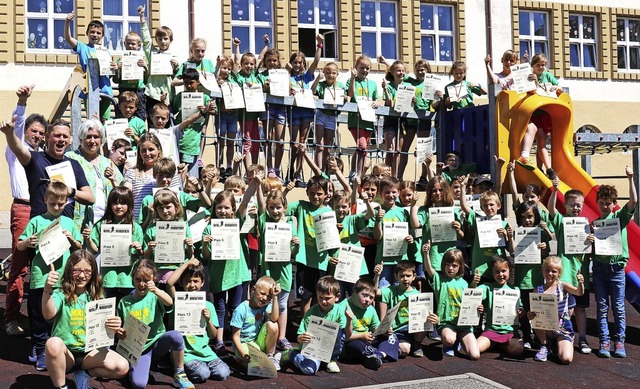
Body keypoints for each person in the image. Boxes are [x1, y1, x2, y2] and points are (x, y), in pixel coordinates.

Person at [17, 181, 83, 371]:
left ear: (66, 203)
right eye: (52, 203)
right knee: (39, 316)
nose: (56, 207)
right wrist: (28, 241)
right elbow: (19, 246)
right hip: (41, 277)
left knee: (59, 316)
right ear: (45, 200)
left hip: (63, 278)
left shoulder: (69, 223)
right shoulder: (36, 221)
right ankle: (40, 349)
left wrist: (72, 239)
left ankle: (56, 348)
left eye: (60, 204)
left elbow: (79, 247)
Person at [43, 250, 129, 389]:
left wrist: (115, 325)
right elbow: (48, 314)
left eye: (87, 271)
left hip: (89, 353)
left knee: (122, 367)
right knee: (53, 344)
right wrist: (47, 289)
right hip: (66, 354)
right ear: (69, 270)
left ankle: (84, 374)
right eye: (77, 270)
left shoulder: (98, 294)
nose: (82, 275)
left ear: (93, 272)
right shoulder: (61, 293)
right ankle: (61, 386)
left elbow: (106, 325)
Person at [116, 259, 195, 389]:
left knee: (175, 336)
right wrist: (119, 332)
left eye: (146, 280)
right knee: (139, 385)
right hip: (139, 348)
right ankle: (135, 367)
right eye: (138, 280)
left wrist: (156, 290)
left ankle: (179, 373)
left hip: (158, 343)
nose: (142, 284)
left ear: (153, 279)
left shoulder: (155, 296)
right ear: (132, 279)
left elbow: (169, 302)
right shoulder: (124, 302)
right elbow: (120, 327)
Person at [4, 84, 44, 336]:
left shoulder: (45, 157)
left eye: (41, 132)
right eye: (34, 131)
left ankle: (40, 315)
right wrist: (22, 102)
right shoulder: (15, 150)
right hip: (22, 208)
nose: (38, 135)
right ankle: (11, 316)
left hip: (42, 211)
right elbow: (15, 128)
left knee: (43, 263)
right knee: (19, 265)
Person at [1, 117, 94, 221]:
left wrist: (70, 191)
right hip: (40, 226)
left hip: (65, 227)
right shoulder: (35, 159)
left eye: (65, 136)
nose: (61, 139)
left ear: (70, 140)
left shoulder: (74, 164)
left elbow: (90, 198)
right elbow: (18, 149)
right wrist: (9, 134)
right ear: (47, 137)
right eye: (57, 136)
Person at [201, 188, 254, 354]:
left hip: (238, 274)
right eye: (219, 207)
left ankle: (238, 338)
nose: (222, 211)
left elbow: (245, 201)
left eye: (226, 207)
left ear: (233, 209)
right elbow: (206, 256)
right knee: (220, 308)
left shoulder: (237, 222)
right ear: (214, 209)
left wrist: (254, 183)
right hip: (219, 275)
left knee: (236, 307)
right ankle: (219, 340)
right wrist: (204, 244)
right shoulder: (209, 229)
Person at [591, 166, 636, 358]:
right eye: (601, 202)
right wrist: (591, 240)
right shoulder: (594, 224)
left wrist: (630, 178)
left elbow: (633, 201)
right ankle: (604, 340)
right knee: (601, 307)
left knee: (618, 307)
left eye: (608, 203)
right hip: (600, 269)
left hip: (617, 269)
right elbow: (591, 248)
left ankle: (619, 342)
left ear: (614, 203)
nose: (604, 206)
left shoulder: (619, 218)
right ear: (597, 203)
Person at [547, 179, 594, 354]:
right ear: (565, 205)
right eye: (572, 205)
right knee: (564, 309)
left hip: (579, 274)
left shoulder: (586, 224)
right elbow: (551, 209)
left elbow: (593, 248)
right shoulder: (561, 221)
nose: (576, 208)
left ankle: (582, 339)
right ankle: (559, 336)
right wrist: (555, 190)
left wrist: (591, 240)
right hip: (565, 274)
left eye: (578, 205)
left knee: (581, 308)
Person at [166, 258, 231, 382]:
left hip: (206, 353)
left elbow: (213, 335)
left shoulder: (208, 305)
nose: (191, 285)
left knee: (224, 373)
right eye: (187, 281)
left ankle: (202, 365)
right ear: (181, 283)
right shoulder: (178, 301)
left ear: (202, 283)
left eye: (195, 281)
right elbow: (169, 283)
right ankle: (179, 364)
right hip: (186, 354)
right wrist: (186, 264)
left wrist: (208, 320)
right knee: (203, 374)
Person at [256, 190, 300, 350]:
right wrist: (257, 185)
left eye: (278, 207)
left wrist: (296, 245)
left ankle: (281, 337)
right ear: (267, 208)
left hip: (284, 273)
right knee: (266, 306)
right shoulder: (263, 221)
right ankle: (266, 337)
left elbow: (293, 253)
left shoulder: (289, 225)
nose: (275, 211)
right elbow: (260, 206)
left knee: (282, 306)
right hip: (268, 272)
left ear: (285, 207)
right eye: (272, 207)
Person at [281, 275, 351, 374]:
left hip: (329, 349)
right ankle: (293, 354)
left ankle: (331, 359)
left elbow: (347, 335)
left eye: (327, 298)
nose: (323, 301)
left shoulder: (340, 310)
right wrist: (301, 338)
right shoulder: (311, 312)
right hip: (313, 350)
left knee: (340, 332)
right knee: (309, 370)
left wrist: (349, 321)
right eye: (320, 297)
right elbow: (300, 335)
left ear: (337, 297)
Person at [287, 175, 335, 315]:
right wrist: (286, 192)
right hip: (304, 260)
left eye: (319, 194)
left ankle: (317, 328)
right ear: (307, 192)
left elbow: (332, 240)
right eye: (312, 193)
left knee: (320, 297)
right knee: (305, 297)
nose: (315, 196)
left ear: (326, 194)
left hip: (321, 262)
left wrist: (332, 257)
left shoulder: (329, 213)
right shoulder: (301, 206)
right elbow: (283, 209)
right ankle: (304, 326)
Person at [86, 186, 143, 302]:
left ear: (129, 205)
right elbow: (94, 250)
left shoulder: (135, 227)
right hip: (108, 279)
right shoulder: (102, 224)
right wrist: (88, 239)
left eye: (123, 203)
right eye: (115, 203)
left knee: (126, 315)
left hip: (128, 280)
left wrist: (138, 248)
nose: (118, 207)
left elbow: (140, 254)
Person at [422, 246, 480, 359]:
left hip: (464, 324)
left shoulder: (463, 283)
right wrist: (426, 254)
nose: (451, 268)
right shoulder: (439, 279)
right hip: (447, 323)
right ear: (443, 265)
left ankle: (458, 340)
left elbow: (471, 298)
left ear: (460, 267)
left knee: (475, 355)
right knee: (449, 340)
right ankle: (449, 345)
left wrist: (474, 284)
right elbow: (429, 269)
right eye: (448, 264)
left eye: (454, 265)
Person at [66, 119, 123, 230]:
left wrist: (114, 180)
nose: (92, 141)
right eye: (88, 137)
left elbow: (122, 193)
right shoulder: (70, 158)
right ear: (81, 139)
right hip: (77, 221)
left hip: (105, 223)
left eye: (96, 137)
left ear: (101, 140)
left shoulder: (108, 163)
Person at [511, 200, 552, 348]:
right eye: (523, 217)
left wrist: (543, 248)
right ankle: (526, 336)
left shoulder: (541, 233)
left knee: (538, 310)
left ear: (536, 216)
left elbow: (547, 255)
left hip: (537, 279)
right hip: (522, 279)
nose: (527, 220)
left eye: (530, 216)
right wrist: (510, 238)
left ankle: (540, 338)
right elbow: (512, 252)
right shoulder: (517, 233)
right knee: (523, 310)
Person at [528, 256, 585, 364]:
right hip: (546, 328)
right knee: (537, 317)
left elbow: (579, 293)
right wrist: (530, 315)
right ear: (543, 270)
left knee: (566, 359)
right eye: (547, 270)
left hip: (562, 327)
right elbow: (533, 312)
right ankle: (544, 345)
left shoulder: (562, 286)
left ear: (559, 273)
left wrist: (580, 283)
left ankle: (558, 344)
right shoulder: (538, 289)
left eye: (554, 271)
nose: (550, 274)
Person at [459, 176, 511, 282]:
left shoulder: (504, 224)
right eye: (485, 206)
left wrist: (506, 235)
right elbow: (464, 206)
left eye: (491, 205)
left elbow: (510, 249)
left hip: (497, 269)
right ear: (481, 208)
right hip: (479, 268)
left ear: (499, 205)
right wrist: (463, 187)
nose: (489, 208)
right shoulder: (477, 219)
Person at [515, 53, 561, 174]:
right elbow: (525, 86)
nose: (541, 67)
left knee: (542, 140)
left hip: (543, 111)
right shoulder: (529, 75)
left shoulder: (547, 75)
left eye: (543, 65)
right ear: (533, 66)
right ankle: (548, 168)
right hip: (532, 111)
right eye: (538, 65)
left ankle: (543, 168)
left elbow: (558, 85)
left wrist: (556, 88)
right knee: (539, 137)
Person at [63, 12, 113, 121]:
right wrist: (67, 22)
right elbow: (68, 38)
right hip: (90, 90)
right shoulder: (83, 47)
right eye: (92, 32)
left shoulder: (105, 52)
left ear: (102, 36)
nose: (95, 35)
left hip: (105, 90)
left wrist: (114, 68)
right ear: (87, 33)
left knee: (105, 121)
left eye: (98, 33)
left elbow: (111, 73)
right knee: (92, 120)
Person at [342, 276, 400, 369]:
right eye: (364, 295)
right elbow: (344, 337)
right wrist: (362, 336)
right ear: (355, 292)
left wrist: (385, 331)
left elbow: (376, 328)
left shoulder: (370, 309)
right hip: (350, 343)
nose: (368, 300)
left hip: (368, 340)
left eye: (371, 297)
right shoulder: (343, 307)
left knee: (392, 336)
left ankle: (377, 356)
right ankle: (380, 353)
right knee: (357, 345)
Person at [288, 34, 323, 183]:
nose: (297, 65)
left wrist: (319, 45)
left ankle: (298, 172)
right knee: (294, 144)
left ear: (303, 64)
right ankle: (290, 169)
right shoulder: (288, 76)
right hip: (294, 112)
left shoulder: (307, 77)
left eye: (300, 63)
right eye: (295, 62)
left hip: (306, 111)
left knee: (302, 143)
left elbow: (316, 61)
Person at [123, 132, 180, 219]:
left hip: (163, 223)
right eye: (143, 150)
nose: (147, 153)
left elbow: (176, 197)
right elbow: (125, 195)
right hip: (139, 222)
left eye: (151, 149)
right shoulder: (132, 172)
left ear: (159, 149)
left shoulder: (170, 171)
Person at [141, 189, 194, 283]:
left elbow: (190, 255)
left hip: (180, 271)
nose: (165, 211)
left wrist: (189, 245)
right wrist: (149, 249)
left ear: (176, 207)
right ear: (156, 210)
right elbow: (146, 257)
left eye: (168, 207)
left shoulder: (184, 226)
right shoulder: (151, 229)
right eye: (161, 208)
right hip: (159, 273)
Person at [230, 275, 282, 370]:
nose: (265, 298)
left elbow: (274, 319)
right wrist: (243, 353)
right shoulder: (241, 310)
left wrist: (275, 297)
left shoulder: (265, 306)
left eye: (269, 296)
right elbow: (235, 336)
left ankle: (269, 355)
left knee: (273, 325)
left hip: (256, 342)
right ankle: (240, 358)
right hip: (243, 344)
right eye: (262, 293)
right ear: (253, 289)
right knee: (255, 367)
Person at [476, 256, 525, 357]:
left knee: (518, 350)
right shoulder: (487, 287)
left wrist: (521, 312)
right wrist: (478, 304)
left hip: (510, 331)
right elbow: (474, 293)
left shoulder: (515, 290)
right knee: (476, 349)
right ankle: (494, 343)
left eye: (503, 271)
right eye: (497, 272)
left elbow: (521, 309)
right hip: (491, 330)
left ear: (509, 271)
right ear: (492, 273)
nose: (501, 274)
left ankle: (501, 345)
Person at [233, 37, 268, 172]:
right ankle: (249, 171)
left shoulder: (255, 74)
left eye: (251, 64)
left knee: (256, 141)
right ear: (242, 65)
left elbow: (260, 57)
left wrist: (265, 44)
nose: (249, 66)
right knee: (246, 141)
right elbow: (236, 60)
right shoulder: (239, 76)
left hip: (255, 115)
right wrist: (236, 47)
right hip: (244, 115)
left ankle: (254, 166)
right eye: (246, 63)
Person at [171, 68, 215, 177]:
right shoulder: (180, 96)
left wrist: (206, 109)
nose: (189, 86)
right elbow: (172, 112)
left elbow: (215, 111)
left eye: (191, 83)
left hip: (192, 143)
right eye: (186, 83)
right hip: (178, 141)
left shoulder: (204, 97)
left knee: (189, 175)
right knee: (177, 173)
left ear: (198, 82)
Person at [139, 5, 178, 124]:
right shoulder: (152, 53)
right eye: (160, 39)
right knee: (152, 123)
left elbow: (177, 76)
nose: (163, 41)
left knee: (165, 124)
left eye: (165, 39)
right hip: (152, 93)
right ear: (156, 40)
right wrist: (142, 18)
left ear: (170, 40)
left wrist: (176, 67)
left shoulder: (173, 57)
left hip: (167, 95)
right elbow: (146, 39)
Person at [376, 260, 424, 357]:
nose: (405, 279)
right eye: (402, 276)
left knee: (429, 320)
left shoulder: (417, 294)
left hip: (413, 328)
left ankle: (417, 344)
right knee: (405, 350)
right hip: (398, 330)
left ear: (414, 276)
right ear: (396, 276)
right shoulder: (390, 291)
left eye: (408, 276)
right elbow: (374, 291)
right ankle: (388, 349)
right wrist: (377, 275)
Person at [373, 177, 414, 287]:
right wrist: (377, 220)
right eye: (387, 192)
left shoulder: (403, 212)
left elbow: (410, 233)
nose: (390, 195)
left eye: (394, 192)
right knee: (383, 291)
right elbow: (377, 237)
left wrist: (410, 238)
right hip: (383, 261)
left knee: (400, 291)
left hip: (400, 260)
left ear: (399, 192)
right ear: (380, 193)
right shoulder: (377, 211)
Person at [347, 55, 379, 179]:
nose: (364, 70)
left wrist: (376, 103)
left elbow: (375, 100)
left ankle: (354, 171)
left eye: (367, 68)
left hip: (368, 120)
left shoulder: (372, 84)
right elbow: (350, 94)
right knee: (362, 146)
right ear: (356, 68)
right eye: (362, 68)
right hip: (356, 120)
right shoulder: (351, 81)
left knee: (363, 148)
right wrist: (352, 78)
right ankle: (357, 174)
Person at [259, 42, 288, 177]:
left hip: (281, 108)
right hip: (267, 108)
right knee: (268, 139)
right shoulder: (262, 75)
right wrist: (265, 87)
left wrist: (290, 89)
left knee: (280, 140)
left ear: (278, 61)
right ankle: (270, 167)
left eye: (274, 60)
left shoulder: (283, 74)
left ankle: (277, 168)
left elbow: (288, 89)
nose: (272, 62)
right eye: (269, 60)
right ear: (265, 61)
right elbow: (258, 91)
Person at [311, 62, 346, 170]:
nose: (331, 75)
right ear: (324, 73)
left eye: (333, 73)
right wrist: (318, 78)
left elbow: (347, 97)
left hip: (332, 117)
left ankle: (324, 171)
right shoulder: (321, 85)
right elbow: (312, 90)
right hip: (321, 115)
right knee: (320, 145)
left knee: (327, 147)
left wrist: (345, 98)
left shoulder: (340, 86)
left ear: (337, 74)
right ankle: (318, 170)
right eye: (328, 73)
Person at [380, 60, 409, 176]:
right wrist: (385, 90)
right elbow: (390, 104)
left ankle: (395, 176)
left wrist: (412, 100)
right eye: (398, 70)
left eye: (403, 70)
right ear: (392, 72)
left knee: (398, 151)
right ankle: (386, 174)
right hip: (390, 121)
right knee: (391, 150)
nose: (401, 73)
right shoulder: (390, 87)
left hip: (401, 122)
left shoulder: (407, 87)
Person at [113, 31, 148, 121]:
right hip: (124, 89)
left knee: (140, 114)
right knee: (122, 115)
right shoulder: (120, 60)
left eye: (133, 44)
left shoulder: (142, 60)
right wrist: (117, 70)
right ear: (124, 44)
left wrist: (146, 67)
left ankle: (138, 132)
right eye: (128, 43)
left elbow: (147, 79)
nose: (130, 46)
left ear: (139, 45)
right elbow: (116, 80)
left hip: (139, 90)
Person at [215, 55, 239, 178]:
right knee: (221, 142)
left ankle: (229, 166)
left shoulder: (233, 81)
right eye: (224, 68)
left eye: (228, 69)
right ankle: (220, 166)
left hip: (233, 115)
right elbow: (214, 78)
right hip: (222, 114)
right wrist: (218, 66)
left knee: (231, 143)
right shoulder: (217, 81)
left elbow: (237, 65)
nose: (226, 71)